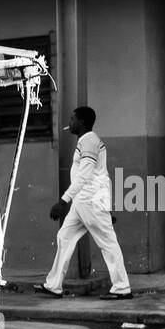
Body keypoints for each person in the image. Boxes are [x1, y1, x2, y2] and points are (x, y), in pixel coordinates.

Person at [34, 105, 132, 301]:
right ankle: (54, 286)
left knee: (107, 243)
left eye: (72, 119)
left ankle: (122, 288)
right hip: (85, 202)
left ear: (83, 122)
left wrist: (63, 201)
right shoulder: (86, 141)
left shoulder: (90, 142)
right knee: (65, 236)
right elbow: (99, 175)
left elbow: (84, 176)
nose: (69, 123)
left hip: (90, 201)